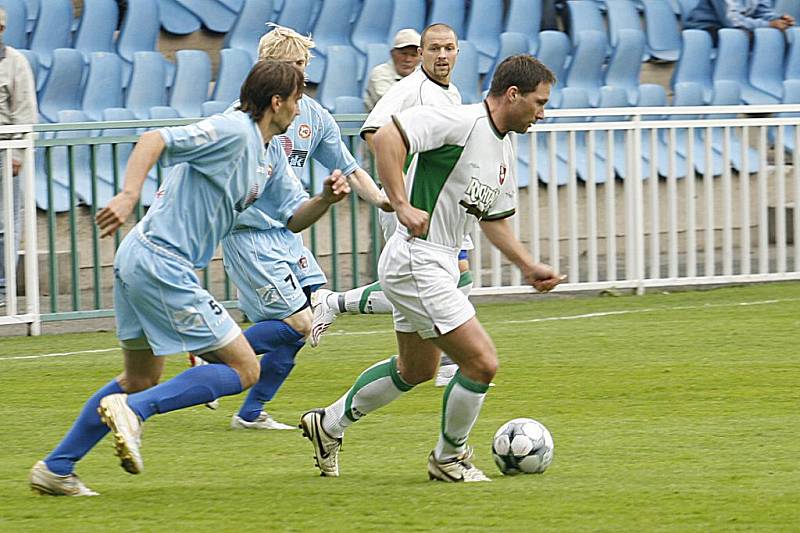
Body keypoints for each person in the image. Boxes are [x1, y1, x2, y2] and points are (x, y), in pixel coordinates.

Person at [29, 60, 350, 496]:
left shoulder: (270, 154)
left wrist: (326, 199)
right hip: (163, 263)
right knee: (244, 368)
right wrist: (127, 196)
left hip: (143, 260)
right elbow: (154, 138)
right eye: (297, 99)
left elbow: (293, 218)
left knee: (140, 376)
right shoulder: (233, 130)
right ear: (276, 103)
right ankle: (135, 412)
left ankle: (56, 468)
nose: (301, 107)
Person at [300, 54, 566, 483]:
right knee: (481, 363)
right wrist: (401, 203)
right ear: (513, 95)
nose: (542, 112)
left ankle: (328, 424)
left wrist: (528, 265)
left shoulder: (503, 145)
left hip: (434, 262)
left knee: (418, 370)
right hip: (417, 259)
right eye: (539, 102)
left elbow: (492, 218)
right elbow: (387, 138)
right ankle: (449, 458)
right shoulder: (459, 122)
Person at [211, 24, 391, 431]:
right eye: (294, 65)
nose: (302, 76)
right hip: (250, 234)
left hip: (287, 232)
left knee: (303, 323)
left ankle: (250, 411)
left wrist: (385, 201)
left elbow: (350, 168)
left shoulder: (312, 115)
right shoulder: (238, 121)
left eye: (304, 66)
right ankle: (213, 348)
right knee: (298, 323)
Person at [311, 23, 468, 387]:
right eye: (434, 49)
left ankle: (444, 361)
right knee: (425, 283)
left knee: (453, 276)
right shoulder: (408, 89)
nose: (442, 55)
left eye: (448, 48)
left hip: (440, 203)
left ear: (458, 52)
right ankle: (335, 303)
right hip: (411, 204)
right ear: (423, 55)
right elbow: (375, 132)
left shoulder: (452, 93)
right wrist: (400, 193)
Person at [0, 7, 36, 308]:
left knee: (4, 225)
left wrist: (17, 156)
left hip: (5, 153)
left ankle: (2, 289)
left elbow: (25, 112)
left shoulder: (15, 63)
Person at [363, 28, 421, 112]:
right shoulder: (380, 73)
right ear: (392, 54)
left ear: (421, 58)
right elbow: (391, 103)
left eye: (413, 55)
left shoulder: (423, 75)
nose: (408, 59)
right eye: (404, 54)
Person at [685, 0, 795, 41]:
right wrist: (768, 24)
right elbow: (731, 20)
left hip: (733, 28)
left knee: (779, 35)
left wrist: (778, 19)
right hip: (704, 29)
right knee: (746, 37)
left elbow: (763, 12)